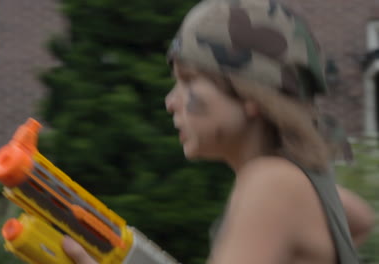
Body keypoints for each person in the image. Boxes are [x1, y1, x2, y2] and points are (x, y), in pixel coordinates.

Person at [60, 0, 375, 263]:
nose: (171, 102)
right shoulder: (303, 184)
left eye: (189, 80)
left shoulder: (270, 184)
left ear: (252, 95)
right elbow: (360, 219)